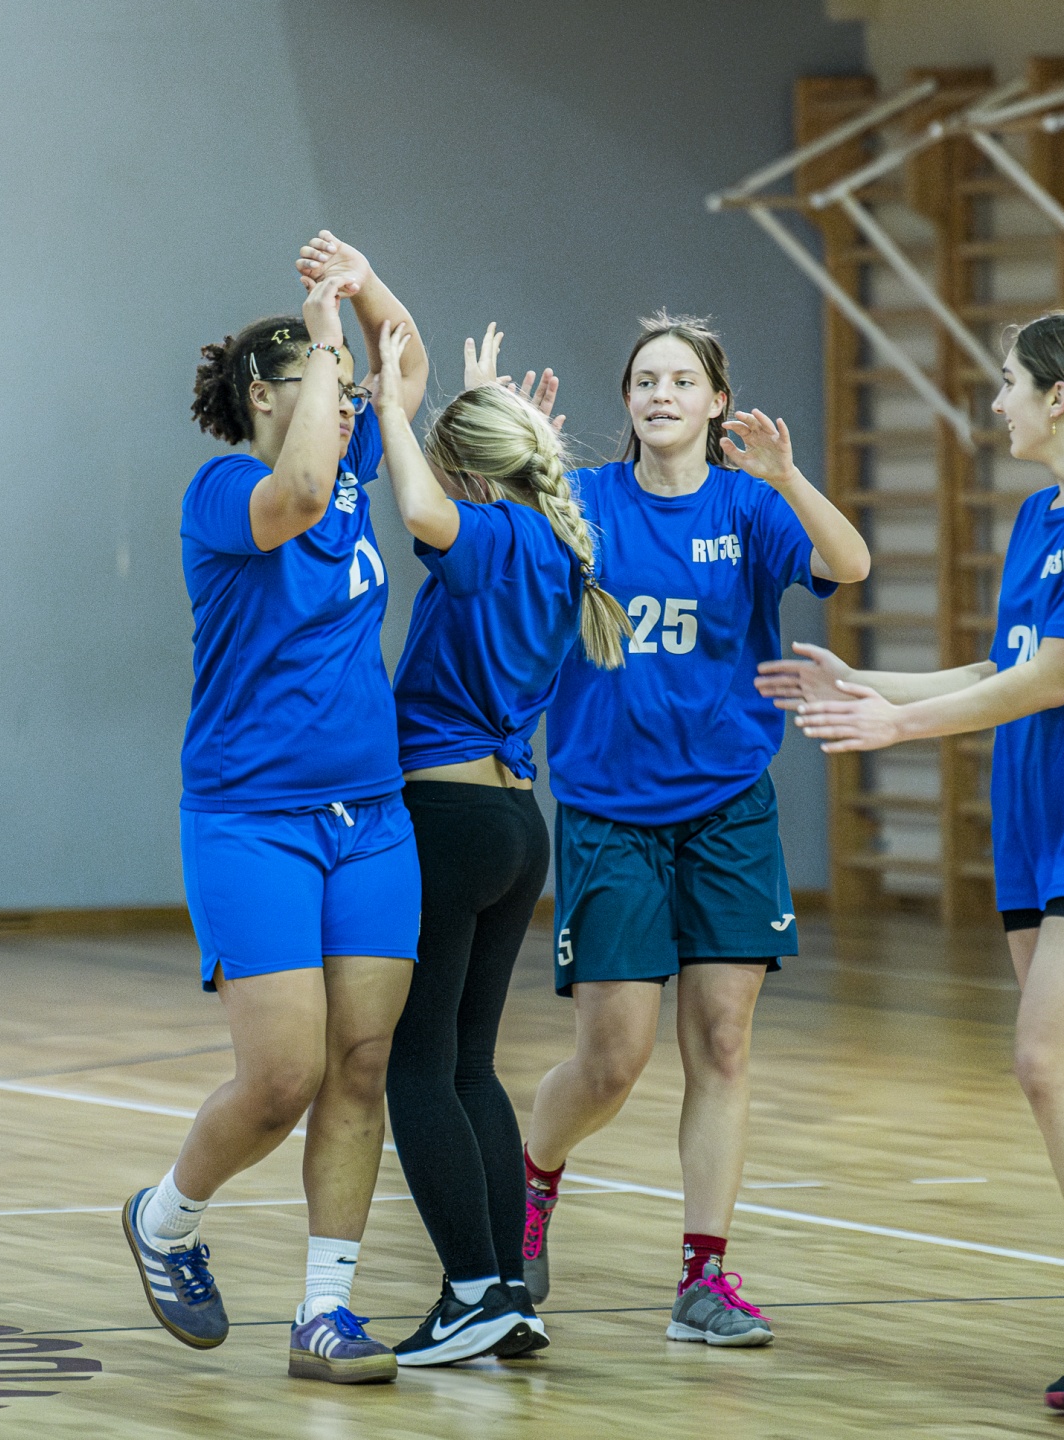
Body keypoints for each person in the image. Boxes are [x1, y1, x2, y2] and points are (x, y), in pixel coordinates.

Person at [769, 310, 1064, 1411]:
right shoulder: (1038, 517)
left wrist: (897, 730)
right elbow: (997, 663)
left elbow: (1052, 681)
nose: (995, 401)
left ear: (1058, 397)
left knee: (1046, 1062)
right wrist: (865, 685)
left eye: (1008, 382)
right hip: (1037, 820)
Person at [519, 313, 870, 1346]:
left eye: (681, 380)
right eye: (645, 381)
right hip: (609, 812)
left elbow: (848, 563)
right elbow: (484, 547)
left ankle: (703, 1278)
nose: (660, 395)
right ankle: (532, 1178)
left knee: (721, 1041)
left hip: (727, 809)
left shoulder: (750, 506)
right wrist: (519, 464)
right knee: (612, 1061)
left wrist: (788, 477)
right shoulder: (584, 501)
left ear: (718, 402)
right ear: (627, 402)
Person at [121, 233, 428, 1385]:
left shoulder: (354, 464)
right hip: (252, 821)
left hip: (372, 818)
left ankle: (325, 1312)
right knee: (283, 1078)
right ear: (265, 395)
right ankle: (165, 1220)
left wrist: (361, 282)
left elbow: (408, 357)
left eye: (345, 387)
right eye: (322, 382)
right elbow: (293, 493)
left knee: (361, 1062)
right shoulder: (223, 494)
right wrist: (331, 342)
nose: (348, 401)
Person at [375, 322, 630, 1366]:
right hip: (517, 824)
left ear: (474, 476)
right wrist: (481, 405)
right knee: (471, 1066)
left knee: (415, 1067)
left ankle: (473, 1290)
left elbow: (422, 509)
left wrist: (392, 410)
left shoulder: (490, 538)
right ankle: (509, 1293)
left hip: (446, 819)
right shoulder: (558, 544)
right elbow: (465, 494)